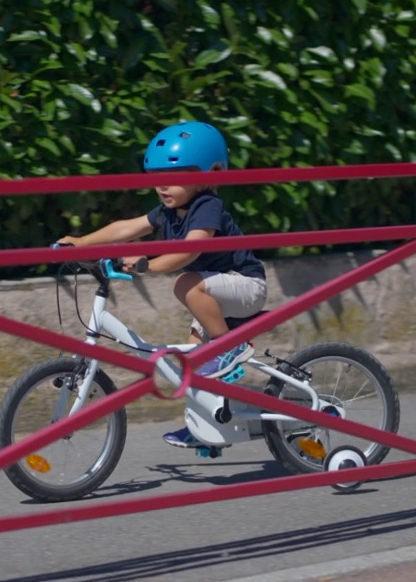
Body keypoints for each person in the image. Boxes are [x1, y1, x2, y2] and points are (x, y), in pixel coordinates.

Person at [58, 120, 268, 448]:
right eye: (158, 179)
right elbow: (125, 228)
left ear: (209, 174)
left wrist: (149, 265)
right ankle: (206, 426)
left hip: (245, 285)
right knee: (195, 363)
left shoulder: (205, 206)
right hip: (214, 290)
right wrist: (81, 243)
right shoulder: (169, 212)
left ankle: (231, 347)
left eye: (176, 178)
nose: (163, 187)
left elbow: (191, 248)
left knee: (185, 284)